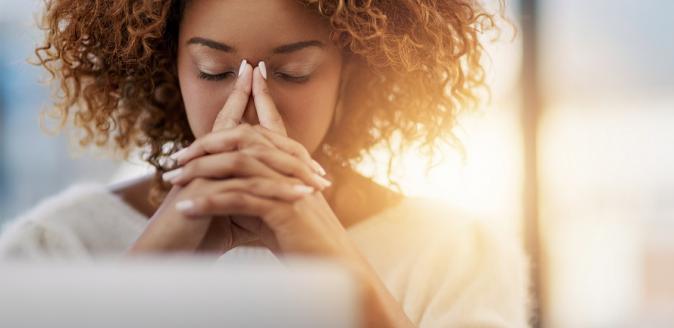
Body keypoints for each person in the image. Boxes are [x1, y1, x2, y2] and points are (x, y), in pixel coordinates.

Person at [0, 0, 530, 327]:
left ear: (353, 74)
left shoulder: (456, 256)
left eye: (294, 72)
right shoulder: (54, 248)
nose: (251, 104)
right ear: (169, 68)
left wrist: (334, 261)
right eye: (213, 71)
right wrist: (153, 263)